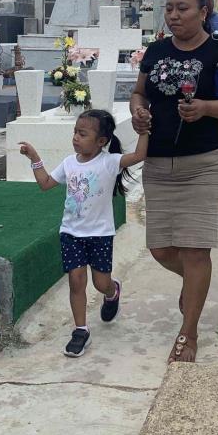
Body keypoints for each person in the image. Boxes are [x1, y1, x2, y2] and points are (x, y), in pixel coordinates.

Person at [130, 0, 218, 363]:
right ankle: (193, 285)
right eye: (169, 8)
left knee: (195, 249)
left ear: (204, 11)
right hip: (158, 164)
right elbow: (140, 92)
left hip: (205, 165)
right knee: (161, 248)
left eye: (182, 8)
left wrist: (206, 108)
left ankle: (189, 333)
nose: (173, 15)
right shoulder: (155, 51)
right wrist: (137, 110)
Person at [20, 110, 149, 358]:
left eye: (82, 133)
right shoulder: (69, 163)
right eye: (75, 132)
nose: (75, 138)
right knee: (76, 281)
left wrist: (143, 130)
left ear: (101, 141)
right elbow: (45, 183)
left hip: (100, 235)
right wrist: (35, 158)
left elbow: (140, 155)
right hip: (71, 233)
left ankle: (113, 292)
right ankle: (81, 329)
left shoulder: (109, 162)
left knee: (101, 283)